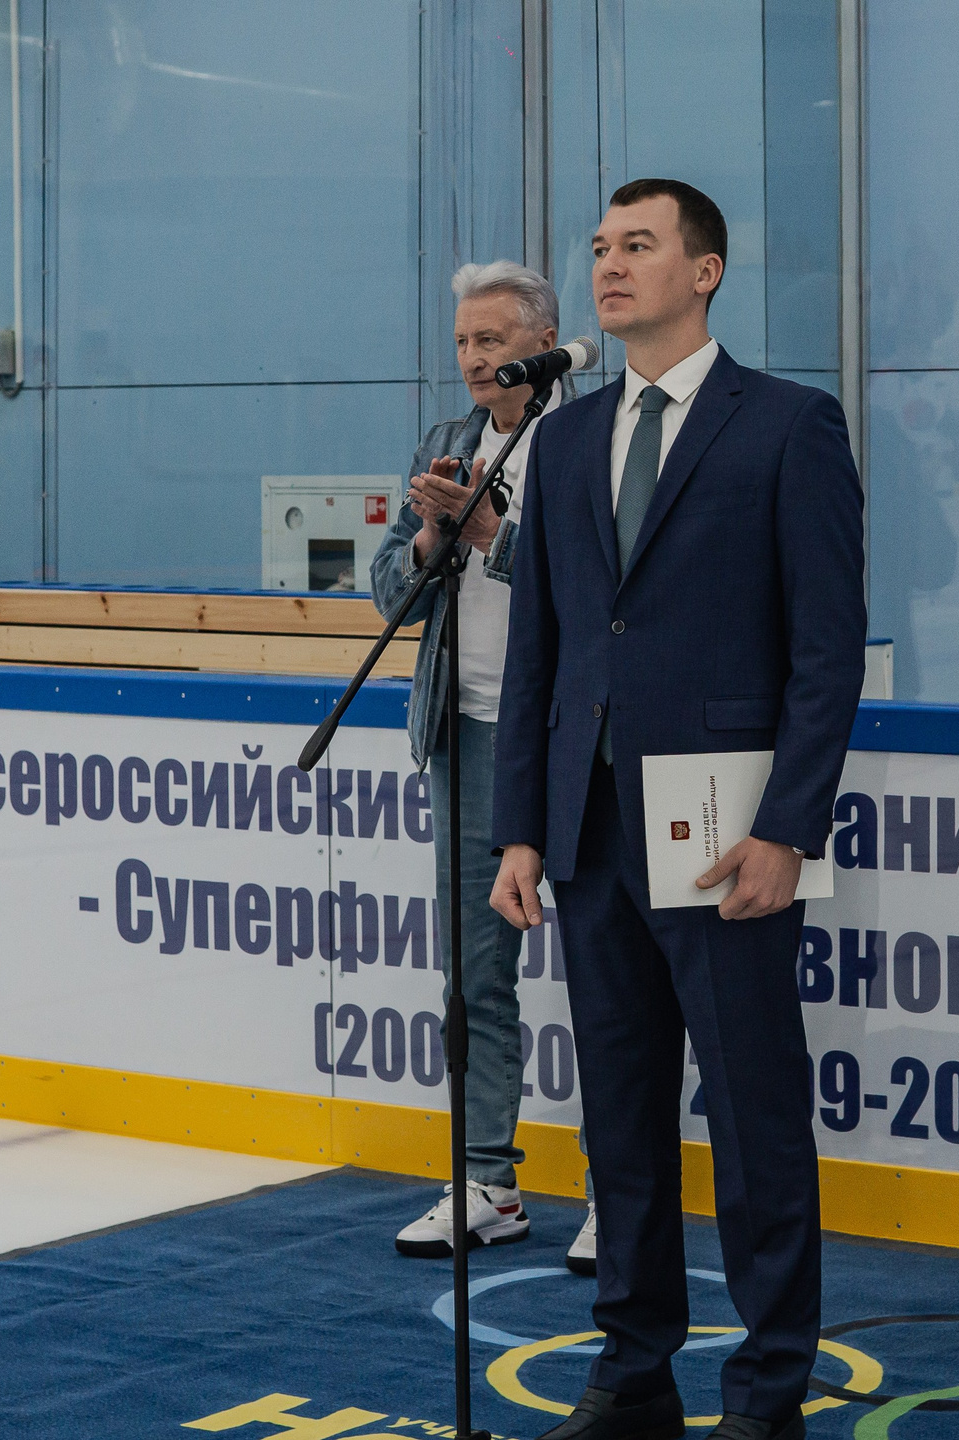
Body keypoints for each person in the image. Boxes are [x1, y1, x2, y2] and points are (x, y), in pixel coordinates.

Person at [490, 178, 864, 1440]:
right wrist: (522, 828)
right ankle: (632, 1368)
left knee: (756, 1115)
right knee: (622, 1122)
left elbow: (827, 651)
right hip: (590, 833)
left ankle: (767, 1385)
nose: (609, 266)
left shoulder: (788, 427)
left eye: (638, 246)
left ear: (704, 271)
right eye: (599, 247)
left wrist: (791, 828)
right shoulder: (563, 432)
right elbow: (537, 649)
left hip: (726, 834)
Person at [369, 260, 597, 1273]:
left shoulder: (595, 439)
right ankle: (486, 1181)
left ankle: (615, 1190)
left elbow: (600, 594)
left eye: (493, 341)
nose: (473, 360)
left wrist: (499, 539)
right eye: (462, 342)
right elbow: (387, 597)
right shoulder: (446, 446)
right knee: (475, 974)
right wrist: (428, 537)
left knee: (607, 975)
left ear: (541, 342)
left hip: (575, 739)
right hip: (468, 732)